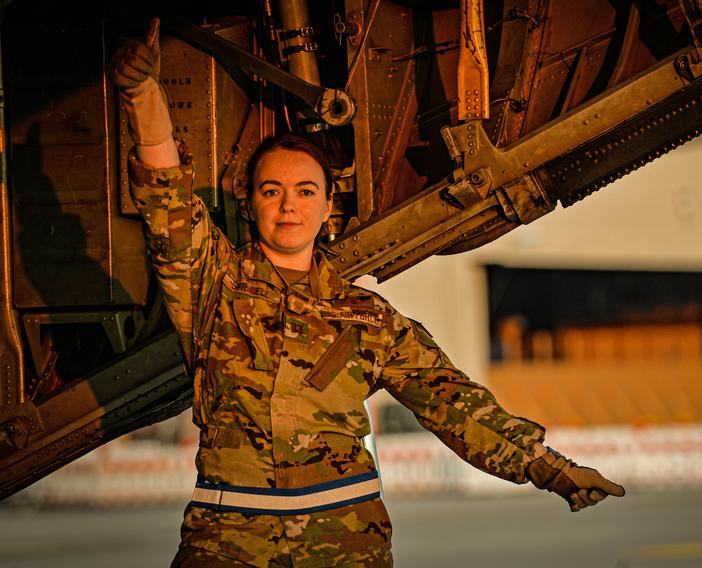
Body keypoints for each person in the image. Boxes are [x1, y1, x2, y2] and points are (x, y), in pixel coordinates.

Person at [113, 18, 625, 568]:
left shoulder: (366, 318)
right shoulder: (212, 283)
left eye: (306, 191)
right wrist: (143, 94)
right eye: (272, 191)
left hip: (346, 543)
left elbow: (451, 400)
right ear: (250, 204)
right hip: (227, 544)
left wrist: (545, 465)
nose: (289, 205)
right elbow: (167, 201)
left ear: (328, 206)